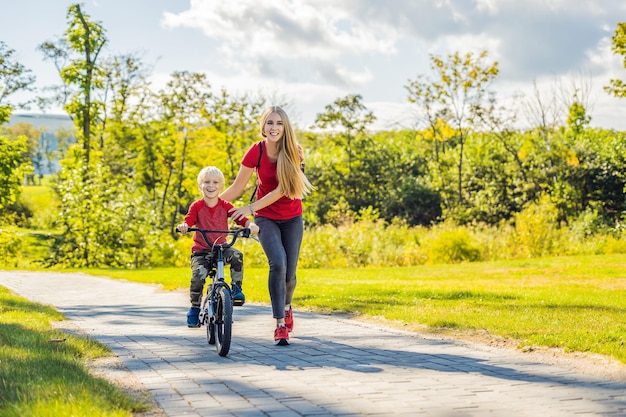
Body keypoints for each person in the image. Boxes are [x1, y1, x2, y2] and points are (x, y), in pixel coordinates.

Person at [222, 106, 313, 346]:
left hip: (292, 217)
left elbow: (283, 189)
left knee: (290, 274)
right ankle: (280, 324)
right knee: (278, 263)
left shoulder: (295, 151)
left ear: (285, 127)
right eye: (270, 123)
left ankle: (287, 307)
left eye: (279, 123)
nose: (274, 128)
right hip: (266, 218)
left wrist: (249, 208)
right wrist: (212, 205)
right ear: (263, 126)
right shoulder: (256, 151)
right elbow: (238, 187)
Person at [178, 166, 259, 328]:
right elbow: (189, 219)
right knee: (198, 276)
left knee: (237, 256)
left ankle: (236, 289)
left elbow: (239, 218)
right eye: (206, 182)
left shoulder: (225, 205)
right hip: (202, 251)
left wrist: (250, 224)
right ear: (200, 185)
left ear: (221, 187)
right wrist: (185, 226)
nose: (211, 185)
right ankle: (194, 307)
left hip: (221, 248)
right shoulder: (197, 206)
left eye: (215, 182)